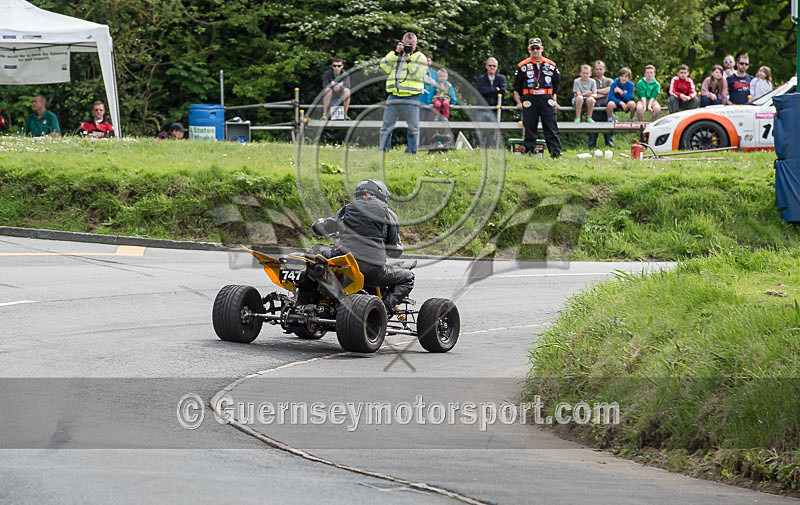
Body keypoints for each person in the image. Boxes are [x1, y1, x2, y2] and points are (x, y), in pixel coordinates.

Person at [311, 179, 413, 313]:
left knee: (316, 249)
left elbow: (321, 228)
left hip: (344, 263)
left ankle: (312, 299)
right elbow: (396, 252)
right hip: (372, 270)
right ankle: (382, 310)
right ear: (382, 194)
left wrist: (318, 224)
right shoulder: (389, 214)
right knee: (408, 277)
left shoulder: (348, 208)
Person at [378, 32, 427, 154]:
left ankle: (411, 151)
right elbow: (384, 66)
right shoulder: (395, 55)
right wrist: (395, 53)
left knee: (413, 127)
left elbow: (419, 74)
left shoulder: (420, 57)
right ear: (402, 43)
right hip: (394, 95)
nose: (409, 47)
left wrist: (409, 60)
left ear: (416, 44)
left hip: (411, 97)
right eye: (407, 44)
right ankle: (383, 150)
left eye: (411, 44)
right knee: (386, 125)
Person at [513, 37, 562, 158]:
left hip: (546, 98)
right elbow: (517, 85)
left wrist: (553, 98)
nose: (535, 51)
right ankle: (530, 152)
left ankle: (555, 153)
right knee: (530, 126)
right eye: (533, 48)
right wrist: (522, 99)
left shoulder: (551, 65)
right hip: (530, 98)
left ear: (542, 49)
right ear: (529, 50)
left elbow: (556, 84)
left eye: (537, 48)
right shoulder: (522, 65)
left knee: (550, 127)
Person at [475, 56, 506, 147]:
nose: (492, 67)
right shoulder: (481, 78)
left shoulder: (501, 78)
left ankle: (491, 150)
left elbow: (503, 92)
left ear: (497, 67)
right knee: (479, 133)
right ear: (486, 66)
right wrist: (495, 89)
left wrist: (488, 90)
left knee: (492, 134)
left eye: (494, 66)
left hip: (495, 110)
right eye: (490, 65)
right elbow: (480, 91)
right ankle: (478, 150)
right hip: (481, 109)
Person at [588, 60, 614, 149]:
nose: (598, 71)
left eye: (600, 69)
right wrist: (603, 93)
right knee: (592, 131)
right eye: (596, 69)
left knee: (608, 131)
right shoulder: (591, 81)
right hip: (594, 109)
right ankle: (591, 147)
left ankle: (609, 147)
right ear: (594, 70)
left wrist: (596, 92)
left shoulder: (609, 80)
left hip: (606, 109)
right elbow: (589, 93)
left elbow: (611, 90)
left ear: (604, 70)